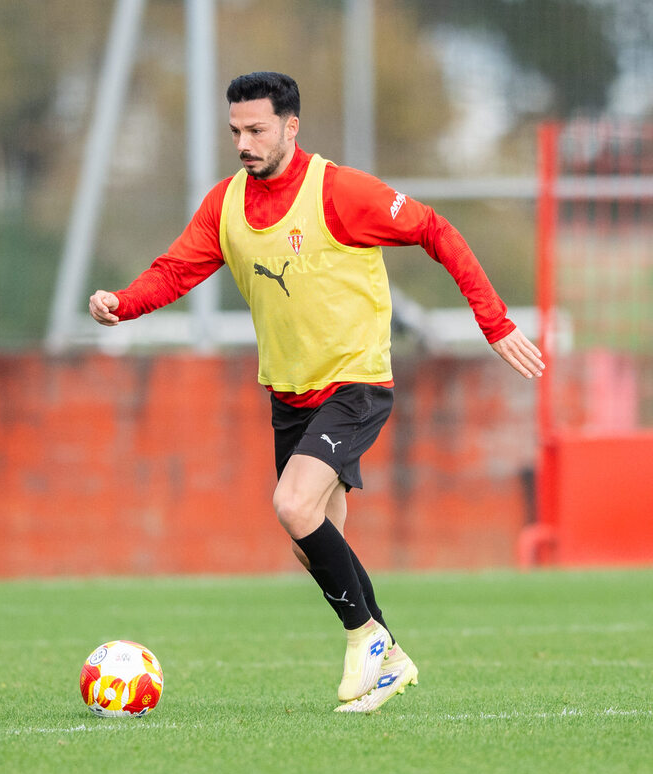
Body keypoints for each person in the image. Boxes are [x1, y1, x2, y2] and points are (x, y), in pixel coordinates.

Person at [88, 72, 544, 713]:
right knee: (314, 541)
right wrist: (121, 305)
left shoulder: (340, 192)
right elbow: (175, 270)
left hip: (355, 382)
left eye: (257, 130)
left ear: (291, 127)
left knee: (293, 506)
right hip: (290, 393)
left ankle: (367, 642)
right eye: (235, 132)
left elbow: (436, 230)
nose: (244, 142)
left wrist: (494, 323)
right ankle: (391, 653)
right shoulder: (226, 203)